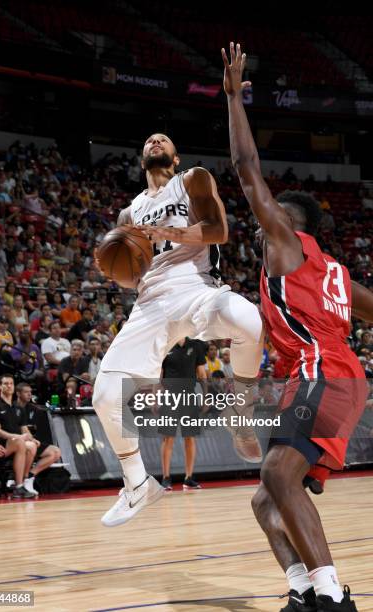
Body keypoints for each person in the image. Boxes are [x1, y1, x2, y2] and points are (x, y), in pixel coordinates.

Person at [222, 42, 373, 612]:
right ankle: (305, 591)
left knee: (278, 474)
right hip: (333, 376)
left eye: (269, 219)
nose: (260, 228)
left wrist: (234, 96)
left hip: (321, 372)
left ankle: (334, 598)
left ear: (288, 223)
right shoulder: (336, 274)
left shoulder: (287, 244)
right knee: (266, 500)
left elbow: (244, 168)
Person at [92, 132, 264, 527]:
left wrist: (168, 234)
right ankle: (137, 484)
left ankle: (241, 408)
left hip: (196, 287)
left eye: (163, 139)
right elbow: (132, 275)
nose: (154, 140)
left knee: (249, 320)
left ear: (175, 155)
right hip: (150, 304)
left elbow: (218, 230)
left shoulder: (192, 180)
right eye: (149, 140)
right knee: (104, 394)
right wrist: (114, 267)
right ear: (140, 159)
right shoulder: (128, 214)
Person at [158, 337, 207, 491]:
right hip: (170, 395)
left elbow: (201, 373)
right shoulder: (166, 344)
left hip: (189, 395)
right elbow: (159, 374)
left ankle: (189, 478)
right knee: (168, 438)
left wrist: (206, 397)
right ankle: (166, 478)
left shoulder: (195, 345)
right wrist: (155, 397)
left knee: (190, 437)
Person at [0, 375, 36, 498]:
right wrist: (18, 437)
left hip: (17, 442)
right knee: (20, 442)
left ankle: (22, 481)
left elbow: (24, 429)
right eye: (5, 383)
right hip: (2, 444)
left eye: (11, 383)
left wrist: (32, 438)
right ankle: (18, 486)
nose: (9, 386)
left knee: (32, 446)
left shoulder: (19, 408)